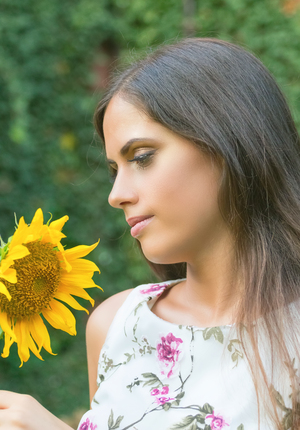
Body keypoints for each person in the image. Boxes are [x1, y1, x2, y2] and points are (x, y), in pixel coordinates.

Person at [1, 38, 300, 430]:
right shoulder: (115, 325)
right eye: (114, 170)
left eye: (141, 157)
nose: (116, 195)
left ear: (229, 141)